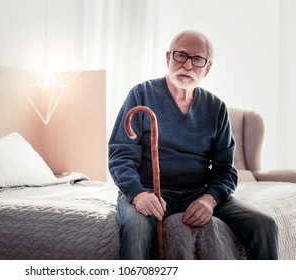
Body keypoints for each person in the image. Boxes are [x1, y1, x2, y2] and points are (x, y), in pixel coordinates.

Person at [108, 30, 279, 260]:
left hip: (197, 193)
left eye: (198, 59)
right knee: (137, 230)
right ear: (168, 57)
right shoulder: (142, 95)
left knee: (265, 225)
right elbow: (120, 156)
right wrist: (138, 195)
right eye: (181, 56)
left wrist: (209, 200)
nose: (188, 65)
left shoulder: (216, 108)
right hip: (149, 191)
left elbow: (225, 170)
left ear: (207, 68)